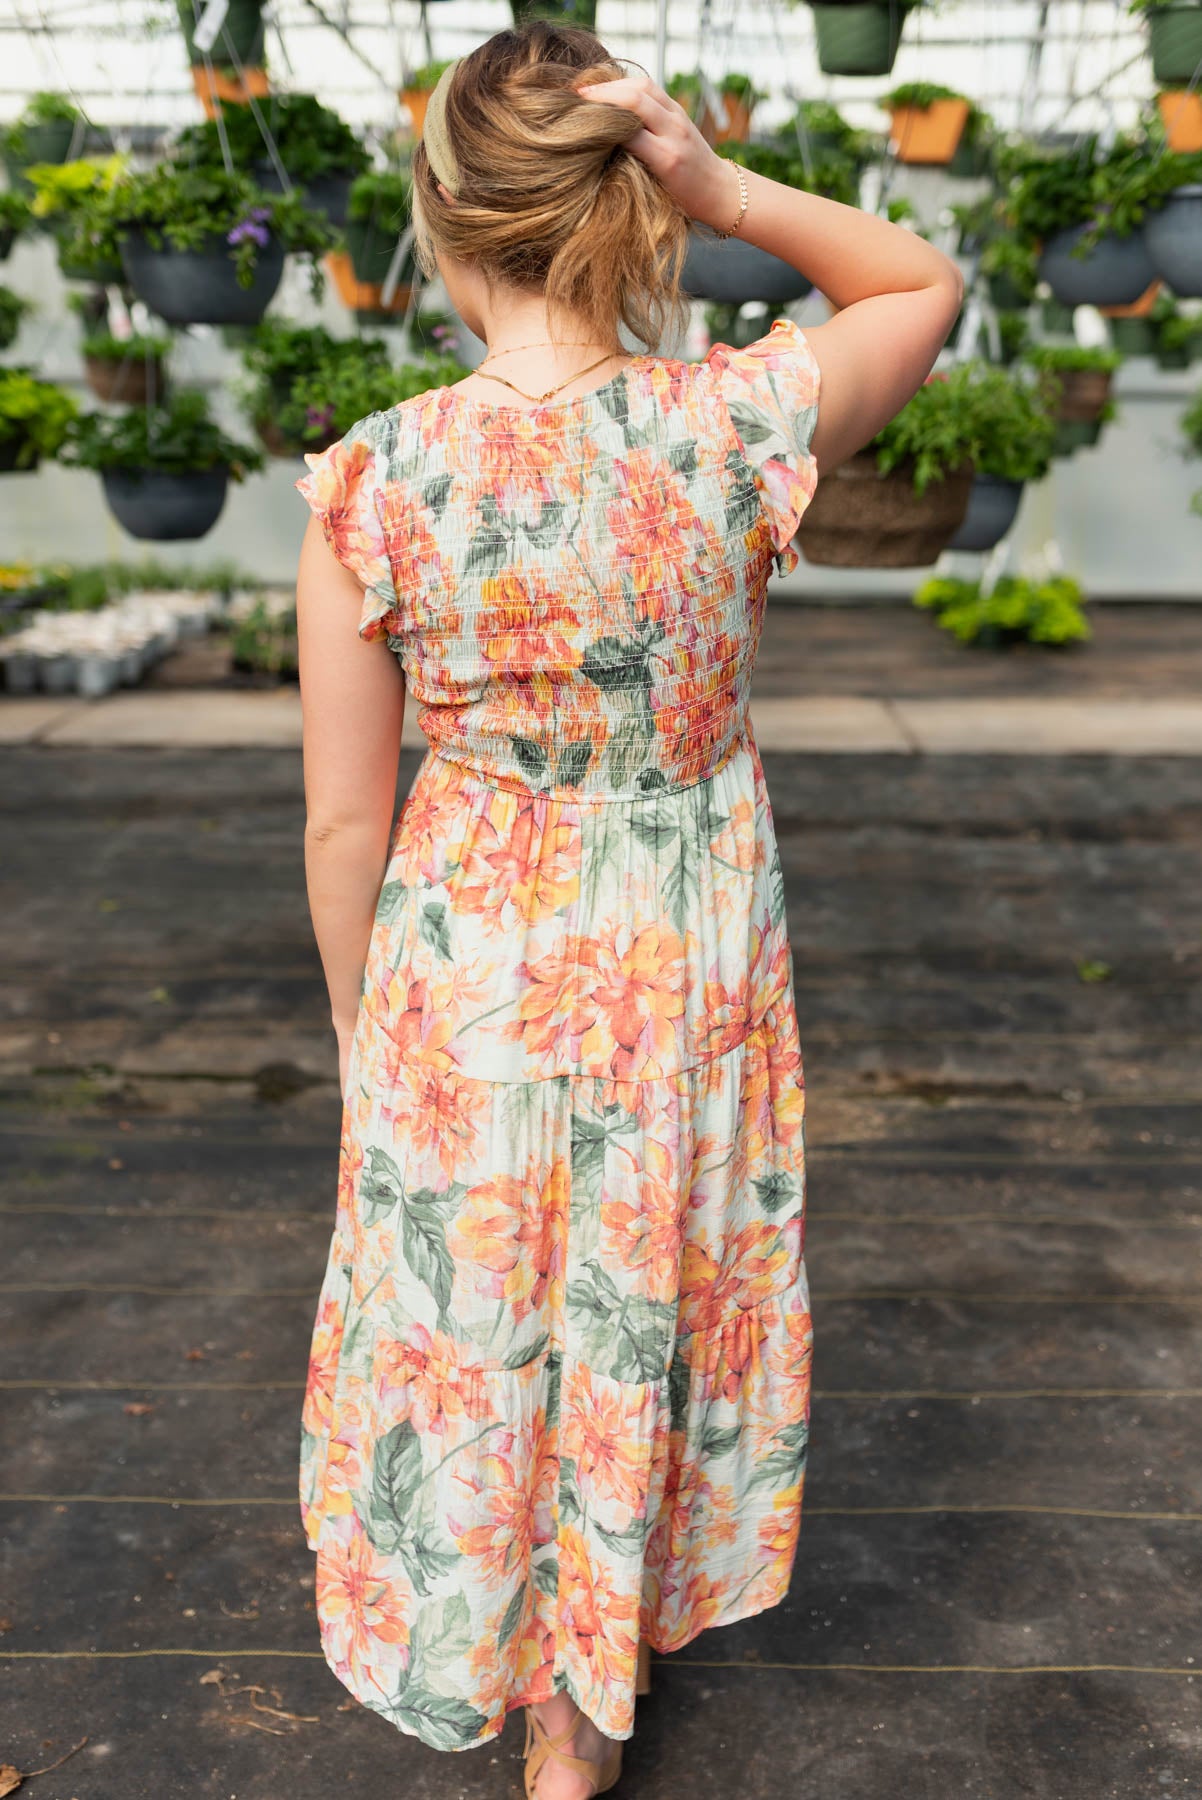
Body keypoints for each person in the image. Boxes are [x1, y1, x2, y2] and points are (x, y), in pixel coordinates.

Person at [294, 22, 961, 1800]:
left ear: (440, 222)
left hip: (469, 948)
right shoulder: (738, 416)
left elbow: (346, 814)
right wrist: (715, 173)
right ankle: (585, 1706)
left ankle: (530, 1685)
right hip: (680, 936)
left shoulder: (377, 478)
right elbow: (916, 280)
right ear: (634, 217)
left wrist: (370, 1039)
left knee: (490, 1297)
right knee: (637, 1280)